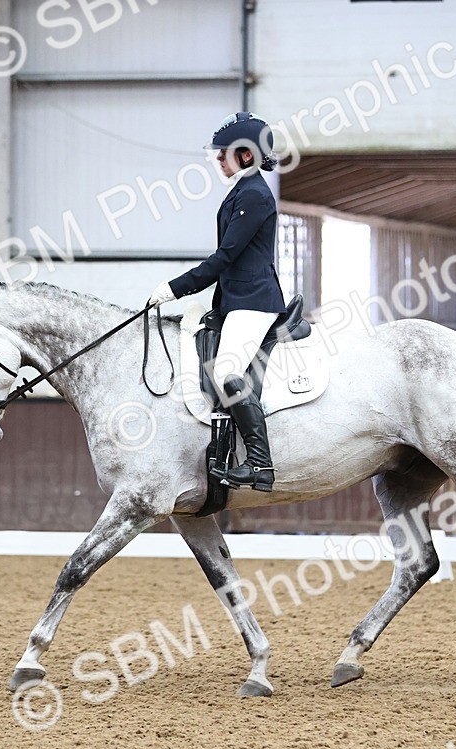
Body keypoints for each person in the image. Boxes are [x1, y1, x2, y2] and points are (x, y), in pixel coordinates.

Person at [148, 112, 285, 491]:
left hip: (254, 300)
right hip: (234, 300)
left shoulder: (255, 195)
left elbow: (225, 256)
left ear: (245, 154)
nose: (219, 160)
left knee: (227, 374)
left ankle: (260, 463)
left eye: (224, 153)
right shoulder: (241, 191)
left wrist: (175, 288)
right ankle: (220, 455)